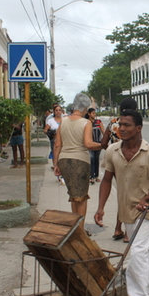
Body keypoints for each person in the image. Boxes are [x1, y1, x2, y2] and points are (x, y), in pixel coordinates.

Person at [94, 109, 149, 296]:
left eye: (127, 125)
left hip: (147, 210)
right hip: (126, 210)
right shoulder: (112, 151)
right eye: (120, 125)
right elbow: (107, 180)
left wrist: (147, 198)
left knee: (136, 252)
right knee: (143, 252)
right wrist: (100, 208)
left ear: (138, 128)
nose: (121, 129)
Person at [53, 93, 102, 230]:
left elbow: (57, 144)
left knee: (74, 196)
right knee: (81, 197)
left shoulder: (63, 121)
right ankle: (79, 230)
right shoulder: (86, 123)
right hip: (79, 162)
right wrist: (102, 145)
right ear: (85, 108)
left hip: (64, 161)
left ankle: (75, 227)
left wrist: (56, 164)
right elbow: (88, 144)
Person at [101, 97, 138, 242]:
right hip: (130, 161)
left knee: (123, 195)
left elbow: (104, 142)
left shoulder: (113, 123)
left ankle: (118, 228)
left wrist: (112, 150)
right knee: (130, 197)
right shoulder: (134, 123)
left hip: (115, 162)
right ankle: (127, 233)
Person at [85, 108, 103, 184]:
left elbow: (104, 132)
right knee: (91, 159)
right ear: (89, 114)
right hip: (90, 144)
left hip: (98, 144)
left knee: (96, 159)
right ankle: (91, 176)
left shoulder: (99, 122)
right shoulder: (86, 122)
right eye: (93, 113)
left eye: (95, 113)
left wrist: (104, 142)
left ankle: (96, 176)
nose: (94, 114)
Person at [44, 104, 62, 169]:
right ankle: (56, 168)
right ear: (54, 112)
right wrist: (51, 133)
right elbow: (45, 130)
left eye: (60, 110)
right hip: (54, 141)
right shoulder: (50, 121)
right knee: (55, 156)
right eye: (56, 110)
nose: (58, 112)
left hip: (63, 141)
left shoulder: (65, 120)